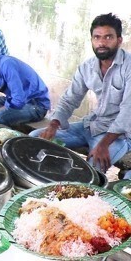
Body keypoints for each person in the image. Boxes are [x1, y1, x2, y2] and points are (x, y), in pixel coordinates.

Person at [30, 13, 131, 177]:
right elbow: (70, 99)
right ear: (91, 40)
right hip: (92, 126)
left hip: (120, 135)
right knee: (34, 139)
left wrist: (104, 144)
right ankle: (51, 183)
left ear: (119, 40)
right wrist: (53, 125)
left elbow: (128, 113)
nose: (102, 43)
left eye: (108, 37)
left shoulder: (128, 66)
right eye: (97, 37)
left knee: (92, 169)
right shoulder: (87, 67)